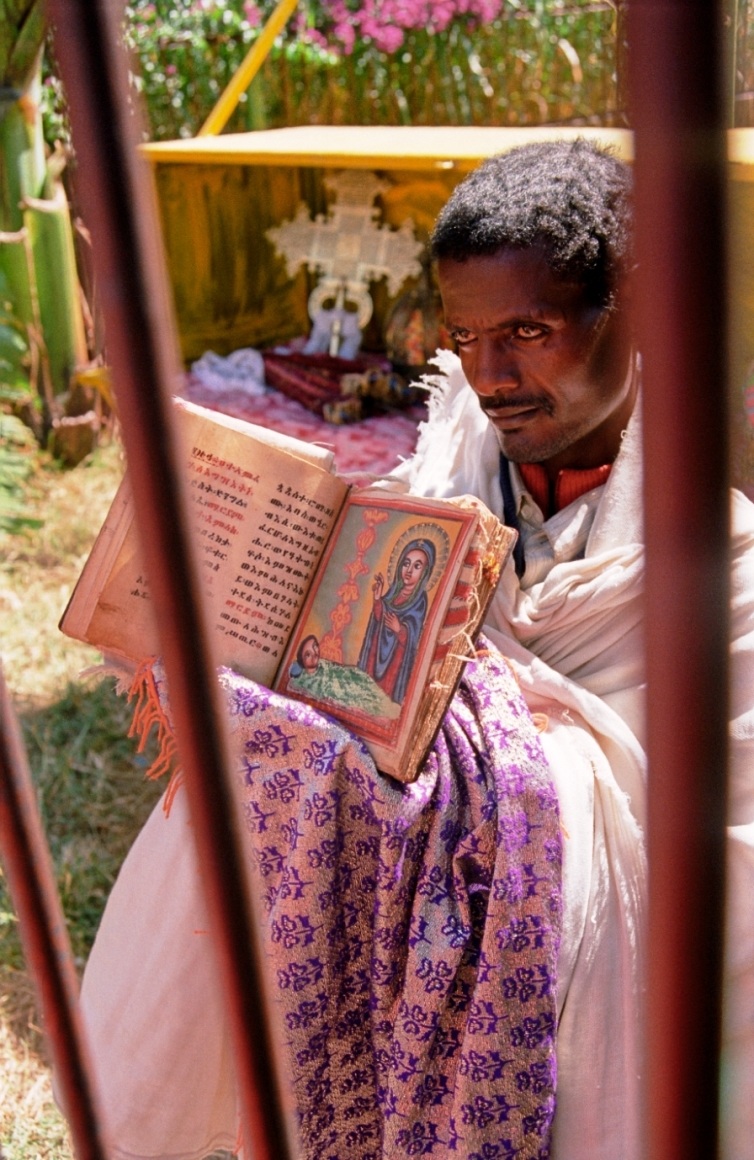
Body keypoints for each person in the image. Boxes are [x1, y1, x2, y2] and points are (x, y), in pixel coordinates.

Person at [69, 140, 754, 1160]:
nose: (490, 375)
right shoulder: (437, 485)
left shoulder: (724, 570)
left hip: (588, 977)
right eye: (466, 334)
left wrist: (521, 786)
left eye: (529, 329)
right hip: (396, 935)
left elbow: (724, 871)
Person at [357, 536, 435, 702]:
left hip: (396, 660)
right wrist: (378, 600)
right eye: (406, 563)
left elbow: (414, 633)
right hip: (376, 652)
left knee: (383, 699)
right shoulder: (393, 592)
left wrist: (399, 629)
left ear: (425, 572)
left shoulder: (420, 601)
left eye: (417, 566)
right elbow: (380, 618)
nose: (409, 570)